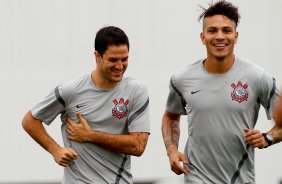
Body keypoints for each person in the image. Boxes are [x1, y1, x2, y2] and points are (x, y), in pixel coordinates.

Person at [161, 1, 282, 183]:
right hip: (196, 177)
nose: (219, 36)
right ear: (202, 37)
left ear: (236, 36)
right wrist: (171, 151)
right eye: (212, 30)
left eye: (226, 30)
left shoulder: (258, 77)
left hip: (240, 178)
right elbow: (171, 116)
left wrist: (268, 137)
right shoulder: (181, 78)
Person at [22, 26, 150, 184]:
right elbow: (30, 120)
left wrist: (91, 136)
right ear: (97, 56)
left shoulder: (136, 91)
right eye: (113, 60)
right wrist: (55, 150)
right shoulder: (70, 90)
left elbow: (138, 146)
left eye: (124, 59)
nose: (119, 66)